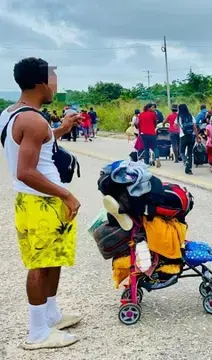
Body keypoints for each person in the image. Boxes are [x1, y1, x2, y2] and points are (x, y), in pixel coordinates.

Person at [0, 57, 83, 349]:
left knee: (52, 260)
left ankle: (51, 315)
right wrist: (66, 194)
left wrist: (61, 128)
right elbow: (26, 171)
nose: (56, 84)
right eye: (53, 78)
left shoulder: (13, 114)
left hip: (36, 200)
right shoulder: (33, 119)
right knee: (39, 265)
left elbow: (38, 143)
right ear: (41, 84)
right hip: (42, 201)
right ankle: (37, 333)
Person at [176, 104, 197, 175]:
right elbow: (194, 127)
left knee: (181, 151)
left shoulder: (179, 117)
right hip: (191, 136)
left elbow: (176, 125)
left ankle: (185, 160)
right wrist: (197, 136)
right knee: (190, 153)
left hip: (183, 136)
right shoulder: (191, 116)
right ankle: (189, 170)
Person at [138, 103, 160, 167]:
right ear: (148, 108)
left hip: (143, 134)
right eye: (152, 107)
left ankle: (146, 163)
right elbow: (155, 123)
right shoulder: (153, 114)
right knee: (155, 147)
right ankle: (157, 158)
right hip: (152, 133)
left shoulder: (141, 115)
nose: (154, 109)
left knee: (146, 148)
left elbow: (139, 124)